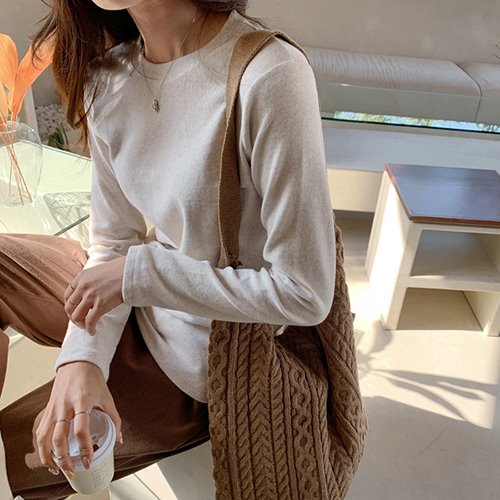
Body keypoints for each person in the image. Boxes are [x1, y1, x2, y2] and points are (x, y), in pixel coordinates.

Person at [0, 0, 335, 498]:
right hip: (134, 297)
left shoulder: (268, 74)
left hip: (208, 357)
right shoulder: (107, 78)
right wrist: (81, 358)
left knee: (15, 452)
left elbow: (304, 293)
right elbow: (114, 242)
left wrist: (138, 277)